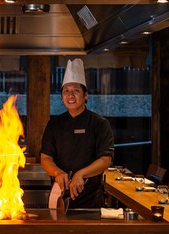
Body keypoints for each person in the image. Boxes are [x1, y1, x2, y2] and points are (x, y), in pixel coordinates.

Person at [40, 59, 114, 208]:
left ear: (85, 95)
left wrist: (81, 174)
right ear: (62, 96)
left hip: (91, 199)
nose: (70, 95)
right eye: (66, 91)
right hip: (59, 197)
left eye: (76, 91)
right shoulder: (54, 124)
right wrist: (57, 173)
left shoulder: (100, 123)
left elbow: (105, 160)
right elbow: (46, 158)